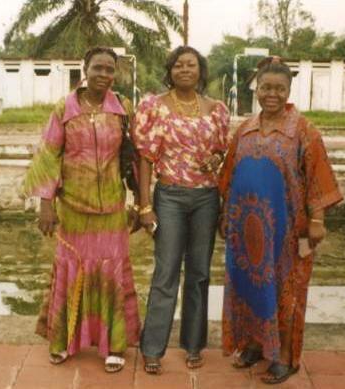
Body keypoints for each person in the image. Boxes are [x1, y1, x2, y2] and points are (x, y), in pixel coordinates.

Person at [218, 56, 343, 384]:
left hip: (288, 233)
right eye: (265, 87)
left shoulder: (303, 130)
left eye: (279, 88)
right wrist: (224, 217)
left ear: (288, 91)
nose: (271, 93)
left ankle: (285, 358)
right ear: (256, 89)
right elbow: (229, 176)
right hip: (246, 234)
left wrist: (317, 220)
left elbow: (318, 177)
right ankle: (256, 347)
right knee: (250, 287)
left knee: (287, 293)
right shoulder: (244, 128)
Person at [21, 46, 141, 373]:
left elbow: (135, 158)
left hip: (113, 210)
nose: (103, 74)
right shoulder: (65, 108)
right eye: (98, 68)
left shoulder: (123, 109)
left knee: (110, 274)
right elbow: (48, 156)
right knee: (71, 273)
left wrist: (139, 203)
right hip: (72, 208)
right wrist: (46, 205)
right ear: (84, 69)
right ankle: (63, 341)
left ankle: (113, 345)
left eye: (109, 69)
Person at [132, 46, 230, 375]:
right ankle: (152, 348)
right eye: (178, 65)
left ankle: (193, 345)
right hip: (170, 196)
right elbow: (145, 158)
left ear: (201, 71)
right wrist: (145, 206)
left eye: (191, 65)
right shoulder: (153, 107)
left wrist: (214, 160)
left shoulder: (217, 110)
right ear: (170, 71)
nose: (184, 69)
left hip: (206, 198)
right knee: (166, 273)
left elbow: (221, 153)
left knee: (200, 274)